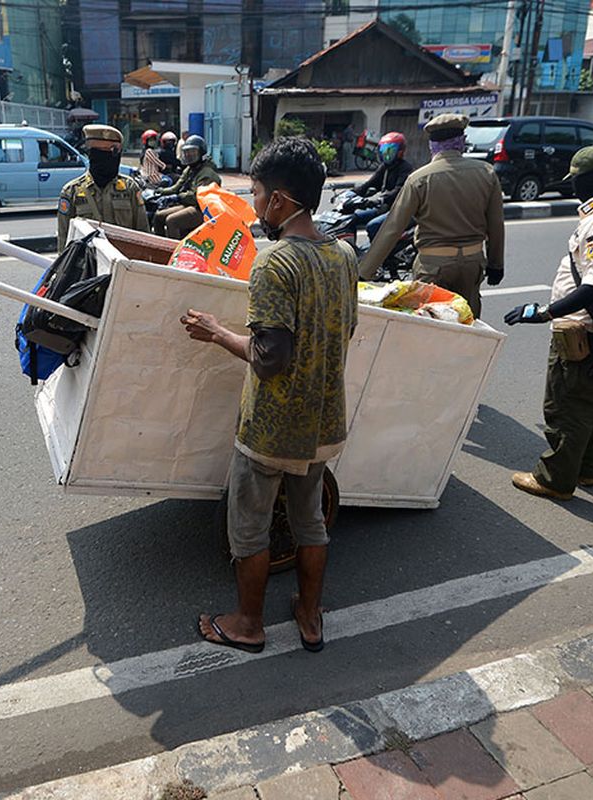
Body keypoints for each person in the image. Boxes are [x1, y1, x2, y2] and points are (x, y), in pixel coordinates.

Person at [180, 137, 358, 654]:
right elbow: (343, 331)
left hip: (272, 429)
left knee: (251, 529)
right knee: (310, 522)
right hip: (324, 423)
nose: (254, 203)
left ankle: (248, 624)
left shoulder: (274, 264)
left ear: (279, 200)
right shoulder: (343, 255)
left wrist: (217, 331)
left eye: (256, 193)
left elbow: (268, 357)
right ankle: (309, 615)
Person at [504, 146, 593, 500]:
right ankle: (585, 470)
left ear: (591, 179)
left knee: (566, 405)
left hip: (583, 327)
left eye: (576, 181)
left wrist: (545, 312)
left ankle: (555, 479)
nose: (573, 187)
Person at [358, 113, 505, 319]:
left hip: (433, 266)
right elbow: (496, 223)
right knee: (469, 325)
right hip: (472, 263)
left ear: (433, 145)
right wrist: (496, 264)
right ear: (461, 142)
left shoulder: (420, 178)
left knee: (432, 329)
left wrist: (364, 272)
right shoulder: (486, 173)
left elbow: (393, 228)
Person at [56, 124, 148, 251]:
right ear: (91, 156)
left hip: (123, 265)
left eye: (111, 155)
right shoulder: (71, 192)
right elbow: (64, 240)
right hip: (87, 268)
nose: (106, 161)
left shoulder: (130, 188)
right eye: (100, 155)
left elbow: (143, 235)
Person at [152, 135, 222, 239]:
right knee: (158, 216)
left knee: (172, 221)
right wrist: (160, 192)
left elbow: (197, 198)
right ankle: (160, 248)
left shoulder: (207, 173)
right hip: (189, 204)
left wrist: (178, 197)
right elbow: (176, 187)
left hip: (203, 210)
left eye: (193, 152)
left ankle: (173, 250)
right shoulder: (190, 169)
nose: (189, 155)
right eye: (187, 152)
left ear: (201, 152)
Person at [348, 131, 414, 241]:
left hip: (399, 211)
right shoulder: (384, 167)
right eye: (384, 150)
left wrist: (381, 199)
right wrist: (350, 193)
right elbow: (370, 184)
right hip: (384, 208)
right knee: (352, 218)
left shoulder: (405, 168)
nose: (387, 154)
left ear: (400, 152)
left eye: (390, 150)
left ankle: (379, 255)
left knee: (372, 226)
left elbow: (399, 190)